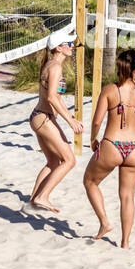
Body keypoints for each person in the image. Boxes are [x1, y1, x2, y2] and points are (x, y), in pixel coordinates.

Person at [82, 49, 135, 249]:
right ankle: (125, 243)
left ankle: (105, 222)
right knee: (127, 196)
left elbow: (97, 121)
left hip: (112, 144)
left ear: (119, 68)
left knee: (90, 181)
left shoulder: (110, 90)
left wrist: (93, 139)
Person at [25, 37, 84, 213]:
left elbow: (56, 98)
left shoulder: (50, 64)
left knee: (53, 161)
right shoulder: (55, 67)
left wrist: (69, 115)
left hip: (39, 117)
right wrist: (71, 121)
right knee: (69, 160)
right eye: (69, 44)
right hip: (43, 118)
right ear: (58, 47)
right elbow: (51, 96)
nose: (72, 46)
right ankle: (42, 197)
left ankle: (31, 202)